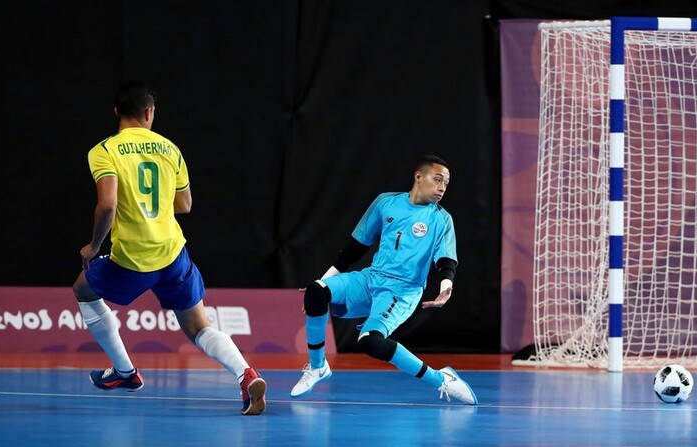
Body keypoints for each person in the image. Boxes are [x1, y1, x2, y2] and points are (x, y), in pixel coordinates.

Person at [72, 81, 266, 416]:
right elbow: (185, 204)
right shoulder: (170, 149)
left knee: (83, 289)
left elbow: (107, 205)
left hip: (133, 258)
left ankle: (125, 372)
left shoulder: (104, 150)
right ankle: (246, 374)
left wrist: (94, 246)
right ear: (149, 113)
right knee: (199, 327)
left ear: (117, 112)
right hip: (174, 255)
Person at [290, 155, 477, 405]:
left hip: (402, 291)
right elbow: (356, 247)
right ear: (419, 176)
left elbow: (446, 261)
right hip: (371, 279)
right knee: (316, 291)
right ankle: (318, 367)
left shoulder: (441, 219)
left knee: (371, 342)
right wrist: (323, 280)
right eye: (438, 179)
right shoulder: (386, 202)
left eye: (447, 183)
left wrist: (446, 286)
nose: (442, 187)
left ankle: (442, 380)